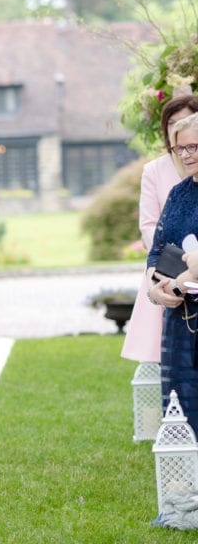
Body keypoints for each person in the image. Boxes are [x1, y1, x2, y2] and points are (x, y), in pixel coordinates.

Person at [122, 95, 198, 363]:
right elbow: (150, 225)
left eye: (185, 120)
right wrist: (164, 272)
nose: (178, 127)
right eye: (172, 123)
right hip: (168, 270)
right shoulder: (159, 173)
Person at [150, 113, 198, 422]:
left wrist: (186, 278)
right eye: (179, 149)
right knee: (182, 413)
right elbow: (157, 251)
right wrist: (156, 290)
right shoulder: (178, 194)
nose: (186, 154)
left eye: (193, 146)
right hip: (180, 323)